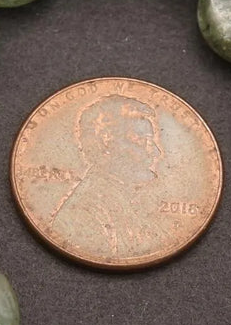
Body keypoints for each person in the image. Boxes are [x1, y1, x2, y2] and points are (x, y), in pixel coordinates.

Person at [49, 93, 168, 260]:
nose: (156, 152)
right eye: (143, 140)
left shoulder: (130, 203)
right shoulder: (83, 215)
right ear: (106, 144)